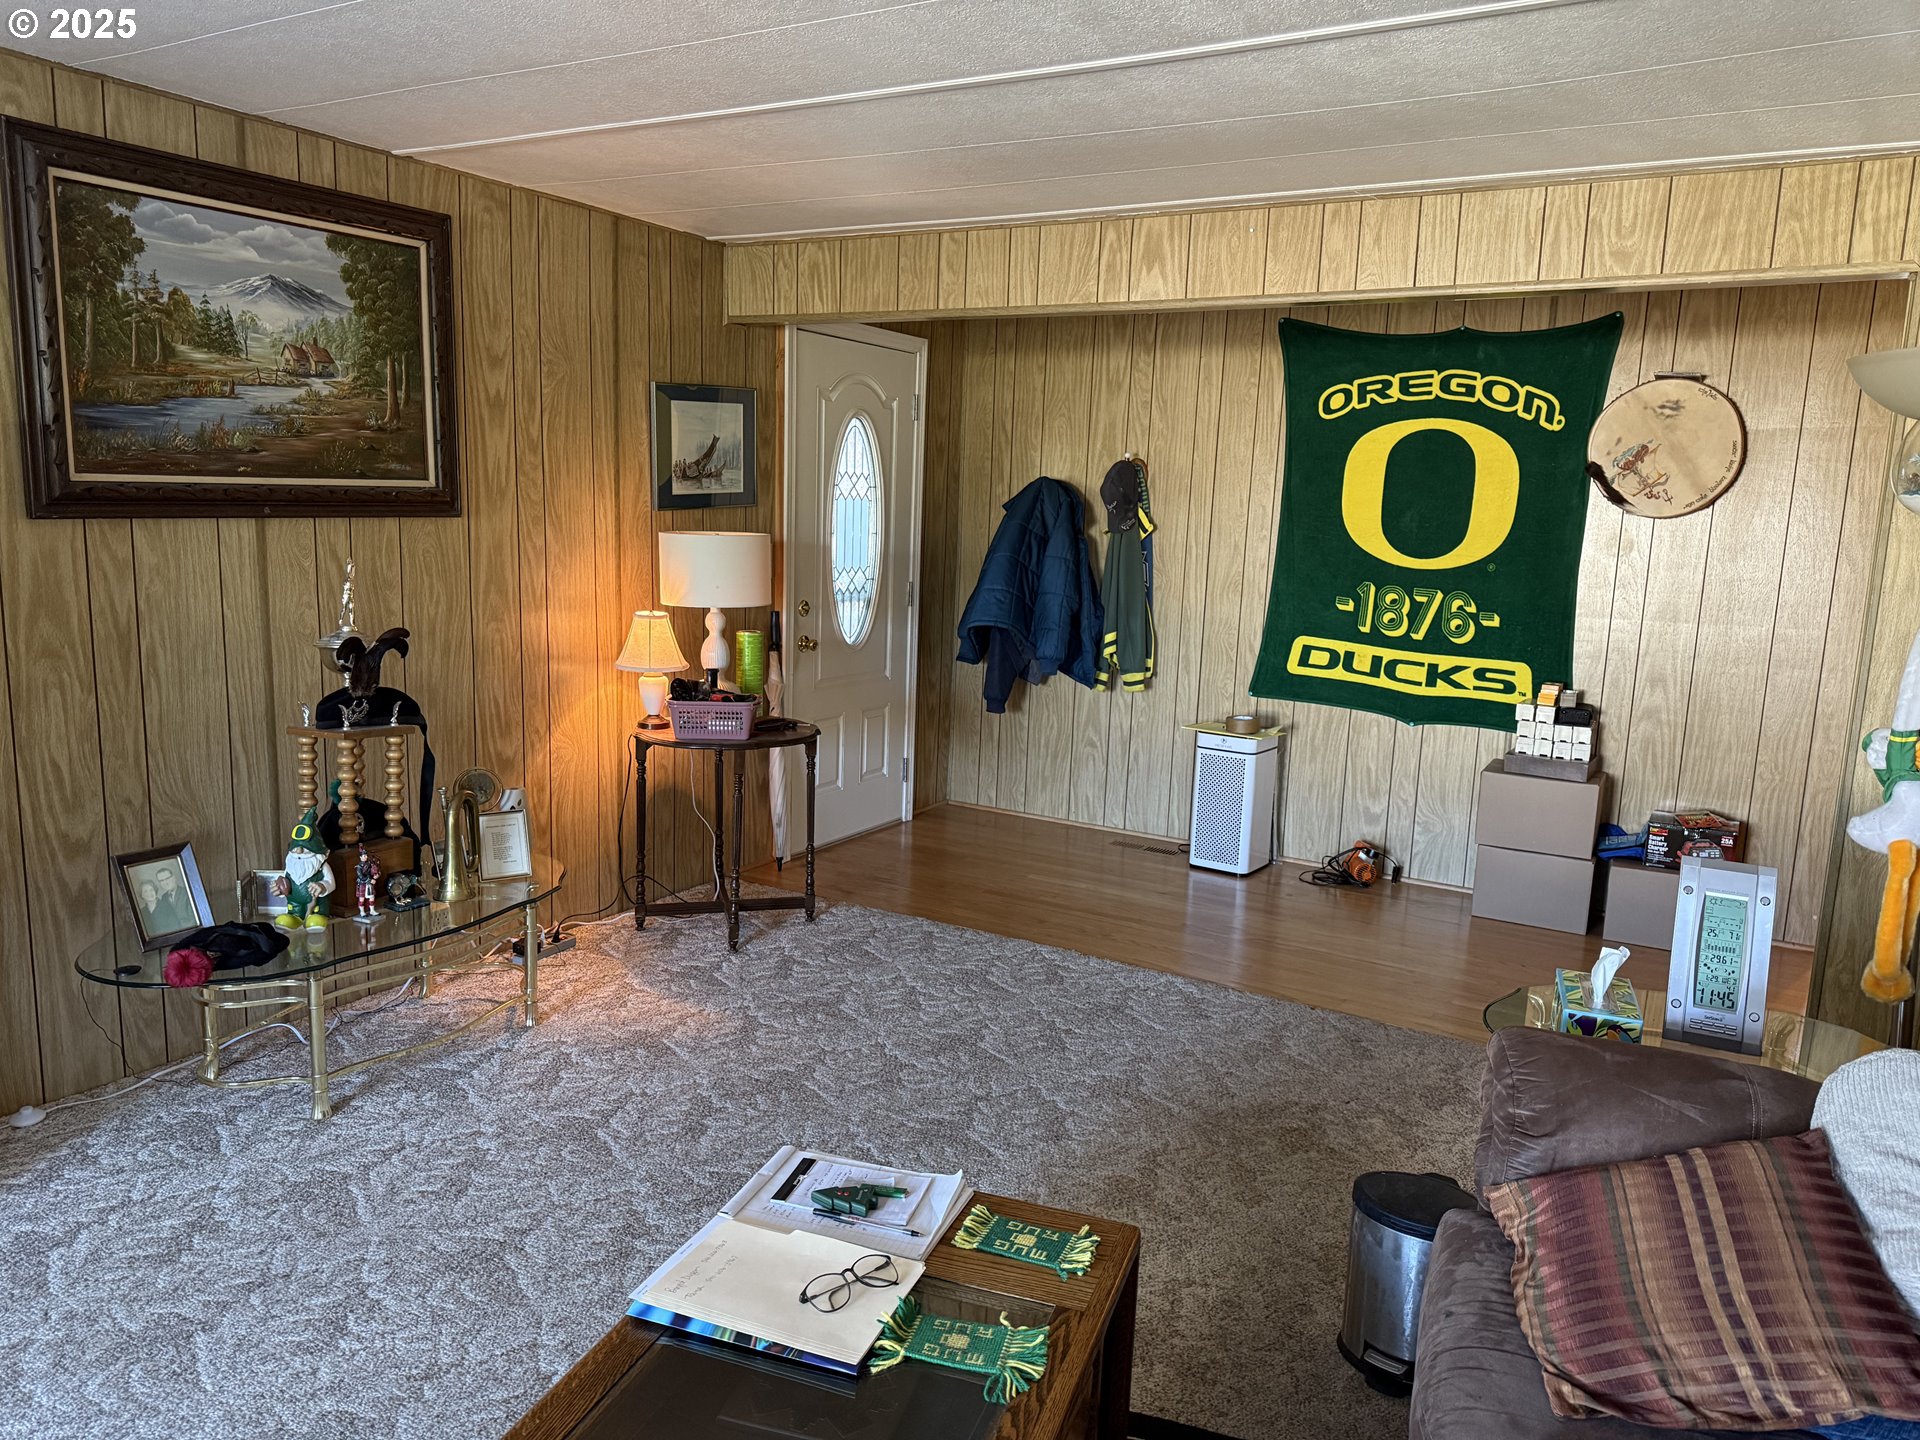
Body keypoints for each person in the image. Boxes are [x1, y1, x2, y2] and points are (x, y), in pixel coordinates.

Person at [142, 865, 197, 935]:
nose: (165, 882)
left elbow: (194, 920)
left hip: (190, 933)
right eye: (161, 880)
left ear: (174, 878)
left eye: (167, 878)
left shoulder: (187, 893)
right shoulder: (164, 897)